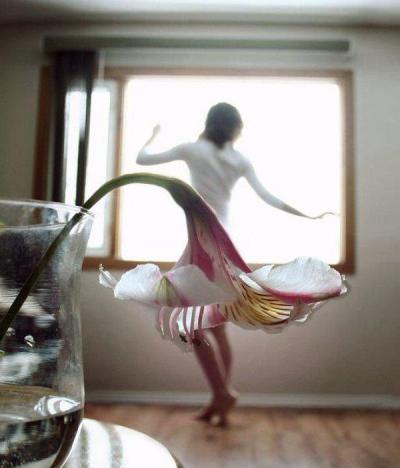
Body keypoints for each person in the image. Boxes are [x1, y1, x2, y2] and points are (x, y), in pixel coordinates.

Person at [137, 102, 331, 426]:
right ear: (235, 129)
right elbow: (267, 197)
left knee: (192, 324)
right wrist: (307, 215)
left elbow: (142, 160)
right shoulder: (239, 160)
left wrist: (152, 135)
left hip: (204, 241)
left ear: (209, 122)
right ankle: (220, 397)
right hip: (227, 240)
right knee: (218, 326)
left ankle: (221, 393)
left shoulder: (191, 149)